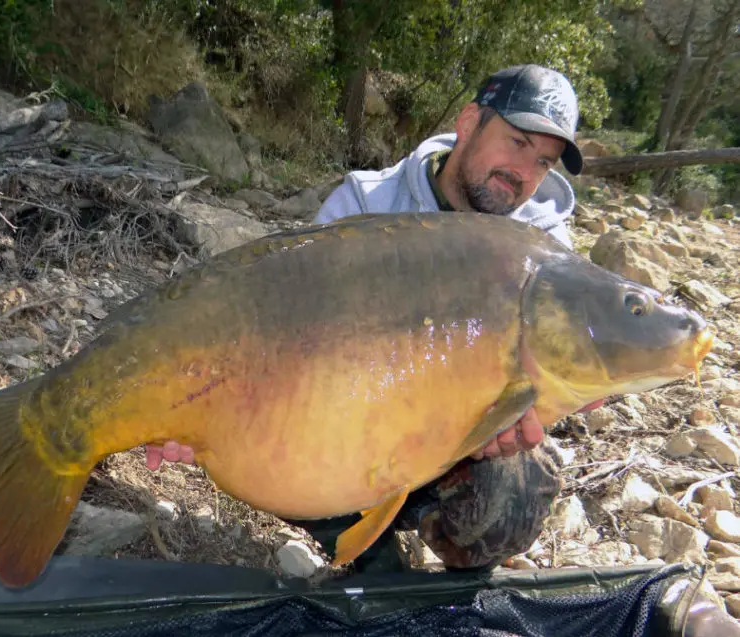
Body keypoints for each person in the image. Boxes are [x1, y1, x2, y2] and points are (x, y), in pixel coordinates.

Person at [144, 64, 603, 571]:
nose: (523, 172)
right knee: (268, 428)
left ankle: (427, 525)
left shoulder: (545, 253)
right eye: (516, 143)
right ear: (469, 122)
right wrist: (198, 409)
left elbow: (571, 368)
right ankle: (368, 553)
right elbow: (282, 326)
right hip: (350, 421)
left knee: (509, 502)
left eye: (543, 161)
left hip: (460, 442)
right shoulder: (366, 203)